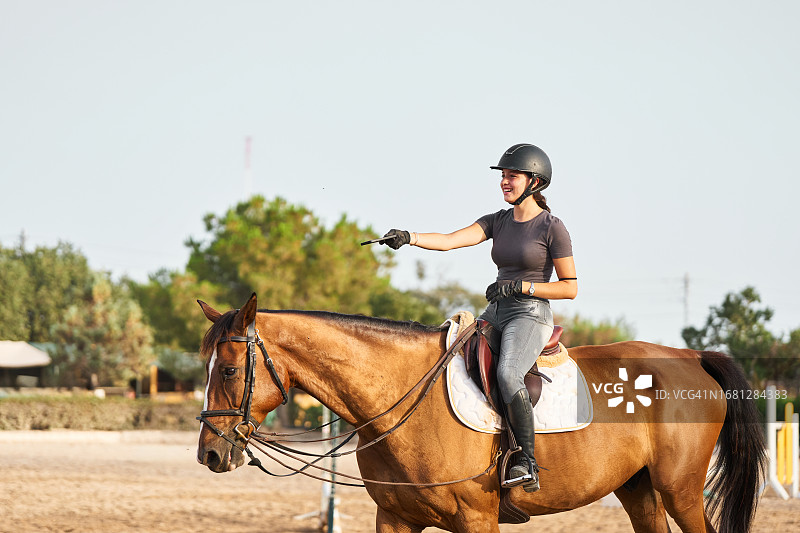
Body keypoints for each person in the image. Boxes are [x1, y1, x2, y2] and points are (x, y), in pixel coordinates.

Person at [380, 143, 577, 492]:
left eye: (511, 176)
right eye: (502, 176)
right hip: (495, 313)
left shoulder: (552, 227)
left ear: (534, 181)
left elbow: (569, 287)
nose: (504, 182)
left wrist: (522, 287)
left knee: (507, 372)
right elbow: (451, 240)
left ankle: (526, 461)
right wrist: (409, 237)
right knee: (446, 358)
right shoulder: (497, 221)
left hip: (530, 316)